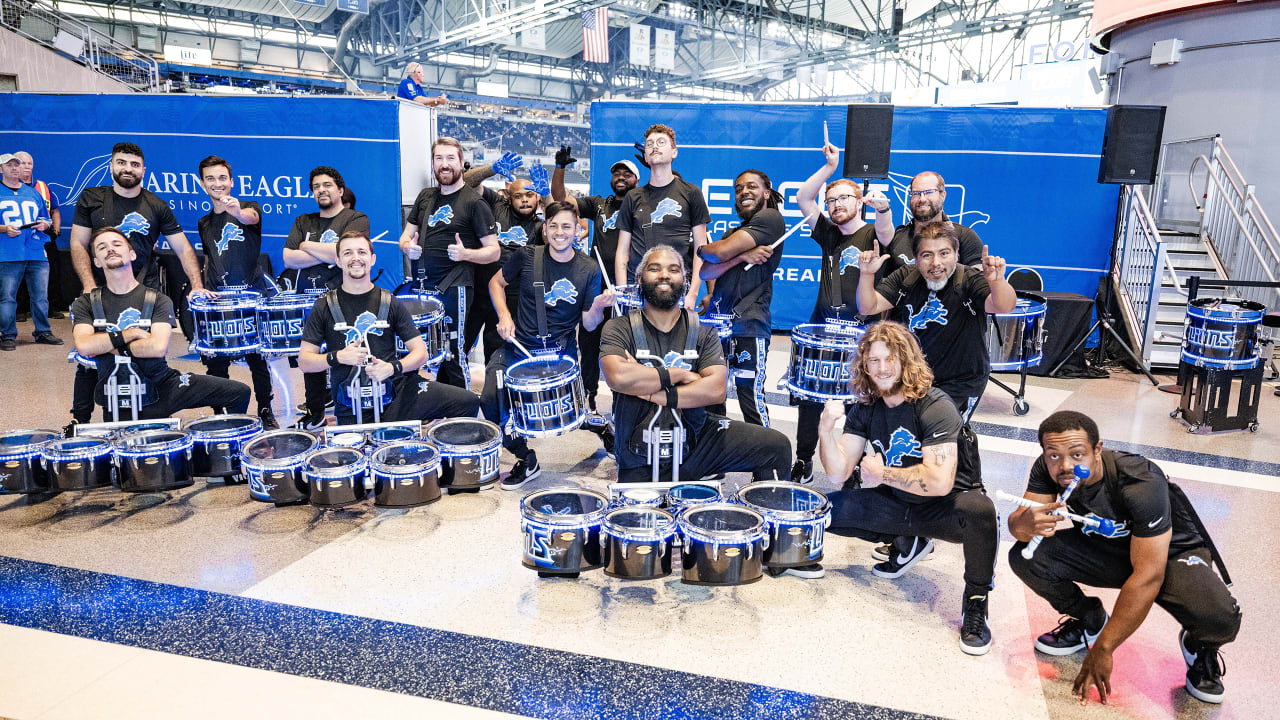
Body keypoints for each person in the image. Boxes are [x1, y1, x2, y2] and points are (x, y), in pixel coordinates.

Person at [1008, 410, 1240, 705]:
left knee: (1220, 619)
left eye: (1077, 454)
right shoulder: (1049, 468)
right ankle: (1090, 619)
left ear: (1098, 450)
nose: (1066, 465)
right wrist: (1024, 524)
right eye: (1054, 456)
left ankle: (1199, 647)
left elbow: (1148, 575)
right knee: (1026, 557)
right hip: (1107, 548)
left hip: (1168, 555)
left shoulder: (1139, 480)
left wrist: (1104, 649)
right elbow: (1020, 525)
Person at [817, 321, 998, 654]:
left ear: (906, 360)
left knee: (981, 512)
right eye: (874, 361)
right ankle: (906, 541)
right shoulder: (867, 407)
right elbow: (837, 471)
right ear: (864, 365)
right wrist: (825, 431)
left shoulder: (935, 405)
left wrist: (882, 473)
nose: (882, 368)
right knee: (822, 511)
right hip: (898, 504)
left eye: (890, 359)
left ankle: (975, 604)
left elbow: (940, 482)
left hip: (945, 508)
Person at [600, 244, 791, 485]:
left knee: (776, 446)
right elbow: (617, 377)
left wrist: (650, 391)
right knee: (644, 519)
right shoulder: (619, 327)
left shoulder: (704, 333)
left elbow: (715, 390)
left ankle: (765, 514)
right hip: (638, 452)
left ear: (686, 280)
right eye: (655, 268)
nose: (664, 275)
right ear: (639, 279)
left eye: (673, 269)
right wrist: (681, 374)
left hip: (697, 443)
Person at [67, 142, 211, 428]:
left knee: (145, 353)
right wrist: (87, 286)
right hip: (100, 292)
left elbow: (183, 249)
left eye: (134, 164)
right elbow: (77, 243)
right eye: (121, 163)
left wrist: (196, 284)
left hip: (142, 289)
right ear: (111, 166)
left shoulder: (156, 205)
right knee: (89, 360)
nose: (127, 169)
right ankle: (78, 421)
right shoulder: (92, 198)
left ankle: (149, 412)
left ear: (143, 170)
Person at [481, 202, 614, 489]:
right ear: (545, 229)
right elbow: (495, 282)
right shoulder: (528, 256)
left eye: (567, 226)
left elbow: (589, 325)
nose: (559, 232)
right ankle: (525, 457)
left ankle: (596, 423)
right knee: (492, 398)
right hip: (519, 348)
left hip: (560, 353)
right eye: (553, 225)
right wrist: (504, 315)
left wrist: (599, 307)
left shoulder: (588, 268)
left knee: (556, 412)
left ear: (578, 230)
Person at [788, 142, 895, 482]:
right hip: (822, 330)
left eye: (843, 198)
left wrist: (883, 209)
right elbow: (803, 198)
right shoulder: (829, 235)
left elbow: (887, 233)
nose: (835, 205)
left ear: (858, 201)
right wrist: (829, 171)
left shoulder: (872, 234)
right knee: (810, 398)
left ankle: (851, 466)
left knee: (856, 403)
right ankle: (803, 460)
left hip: (862, 335)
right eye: (831, 201)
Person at [298, 231, 480, 426]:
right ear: (338, 261)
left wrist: (392, 368)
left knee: (467, 401)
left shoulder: (390, 302)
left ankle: (446, 456)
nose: (356, 258)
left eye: (361, 252)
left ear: (372, 259)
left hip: (396, 394)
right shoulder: (323, 306)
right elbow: (305, 361)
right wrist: (338, 357)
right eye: (348, 253)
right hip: (350, 402)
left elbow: (420, 353)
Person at [70, 227, 250, 420]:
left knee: (238, 392)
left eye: (116, 244)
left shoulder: (158, 299)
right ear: (96, 261)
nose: (110, 249)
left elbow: (157, 348)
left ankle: (221, 447)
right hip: (118, 394)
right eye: (102, 247)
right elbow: (84, 346)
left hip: (164, 384)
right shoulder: (86, 302)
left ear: (131, 254)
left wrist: (107, 346)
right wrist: (130, 334)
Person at [398, 137, 500, 391]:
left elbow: (494, 251)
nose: (444, 165)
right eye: (439, 159)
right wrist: (407, 247)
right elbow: (405, 236)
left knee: (453, 349)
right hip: (423, 286)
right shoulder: (425, 197)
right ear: (433, 163)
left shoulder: (474, 203)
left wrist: (466, 254)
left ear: (462, 163)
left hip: (455, 288)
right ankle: (437, 401)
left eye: (450, 159)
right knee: (420, 348)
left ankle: (462, 409)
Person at [282, 166, 370, 430]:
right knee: (312, 358)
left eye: (327, 185)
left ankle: (351, 413)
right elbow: (288, 258)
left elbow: (345, 254)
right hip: (307, 299)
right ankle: (315, 413)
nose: (322, 190)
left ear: (340, 190)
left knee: (345, 356)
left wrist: (307, 246)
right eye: (316, 186)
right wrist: (329, 252)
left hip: (341, 299)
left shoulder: (356, 218)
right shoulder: (302, 221)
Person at [696, 169, 785, 428]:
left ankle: (767, 465)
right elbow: (706, 270)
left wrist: (706, 250)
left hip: (748, 323)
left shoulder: (770, 218)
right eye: (738, 189)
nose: (744, 192)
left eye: (751, 187)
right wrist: (741, 256)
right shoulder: (733, 231)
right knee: (713, 396)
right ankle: (718, 459)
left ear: (766, 193)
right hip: (717, 324)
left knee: (750, 397)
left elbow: (716, 252)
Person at [551, 150, 639, 411]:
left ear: (636, 179)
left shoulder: (642, 206)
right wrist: (560, 168)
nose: (621, 177)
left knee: (626, 347)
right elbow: (560, 198)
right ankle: (588, 396)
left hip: (628, 289)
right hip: (595, 286)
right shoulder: (599, 203)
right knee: (588, 343)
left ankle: (623, 400)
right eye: (616, 173)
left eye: (627, 173)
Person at [194, 155, 277, 428]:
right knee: (216, 361)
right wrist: (205, 289)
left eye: (222, 178)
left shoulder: (249, 207)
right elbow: (208, 260)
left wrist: (237, 210)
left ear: (231, 181)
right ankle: (222, 412)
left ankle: (265, 409)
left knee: (257, 358)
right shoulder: (204, 223)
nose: (217, 184)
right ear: (203, 184)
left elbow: (249, 217)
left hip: (251, 297)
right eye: (210, 179)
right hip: (219, 301)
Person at [614, 124, 709, 311]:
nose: (654, 146)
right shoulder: (633, 197)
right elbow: (622, 253)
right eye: (649, 144)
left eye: (661, 142)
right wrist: (623, 294)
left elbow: (701, 250)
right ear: (645, 155)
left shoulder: (691, 193)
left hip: (676, 288)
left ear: (674, 152)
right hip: (638, 290)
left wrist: (693, 294)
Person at [464, 173, 543, 364]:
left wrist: (547, 193)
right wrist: (492, 169)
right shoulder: (497, 205)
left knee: (496, 354)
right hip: (478, 292)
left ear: (537, 197)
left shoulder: (541, 227)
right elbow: (467, 183)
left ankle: (491, 392)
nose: (524, 200)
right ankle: (455, 391)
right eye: (518, 196)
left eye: (530, 195)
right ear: (509, 197)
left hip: (510, 300)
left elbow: (560, 219)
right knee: (459, 345)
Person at [1, 152, 61, 351]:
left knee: (40, 296)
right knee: (8, 297)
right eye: (9, 165)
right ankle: (8, 335)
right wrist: (4, 228)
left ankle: (43, 331)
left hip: (36, 251)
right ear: (1, 169)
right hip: (8, 253)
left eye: (17, 165)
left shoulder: (33, 193)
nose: (15, 168)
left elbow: (47, 217)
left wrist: (45, 225)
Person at [883, 172, 984, 274]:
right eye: (916, 193)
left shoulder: (965, 237)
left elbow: (979, 283)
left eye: (929, 192)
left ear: (943, 195)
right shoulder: (897, 238)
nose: (922, 199)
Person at [16, 151, 67, 319]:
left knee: (51, 273)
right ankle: (21, 310)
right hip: (18, 238)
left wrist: (56, 231)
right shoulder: (8, 188)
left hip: (44, 238)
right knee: (19, 274)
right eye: (22, 163)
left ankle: (51, 307)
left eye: (29, 163)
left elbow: (55, 211)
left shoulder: (43, 187)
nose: (26, 166)